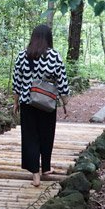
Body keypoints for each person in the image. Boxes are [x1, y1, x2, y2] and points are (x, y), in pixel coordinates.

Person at [12, 24, 70, 187]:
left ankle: (35, 174)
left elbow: (16, 82)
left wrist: (15, 102)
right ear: (48, 38)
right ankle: (46, 167)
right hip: (47, 102)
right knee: (46, 134)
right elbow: (62, 80)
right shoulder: (55, 56)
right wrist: (65, 101)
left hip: (27, 101)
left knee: (30, 136)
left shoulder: (22, 55)